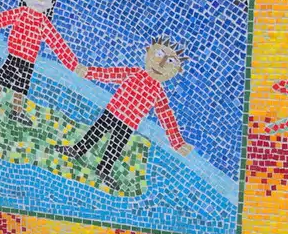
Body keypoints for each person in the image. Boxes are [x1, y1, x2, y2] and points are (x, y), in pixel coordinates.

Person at [58, 38, 194, 184]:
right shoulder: (133, 73)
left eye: (170, 62)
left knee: (115, 146)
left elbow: (166, 116)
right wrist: (88, 72)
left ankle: (104, 169)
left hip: (129, 123)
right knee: (95, 133)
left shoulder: (158, 92)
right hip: (112, 112)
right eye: (159, 54)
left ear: (174, 72)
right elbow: (109, 74)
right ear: (149, 52)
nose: (160, 64)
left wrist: (178, 143)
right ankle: (76, 150)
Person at [0, 0, 83, 121]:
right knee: (0, 78)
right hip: (13, 56)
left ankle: (17, 112)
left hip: (28, 61)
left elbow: (57, 43)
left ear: (51, 3)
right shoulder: (20, 13)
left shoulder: (43, 23)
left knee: (21, 87)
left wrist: (73, 64)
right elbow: (0, 20)